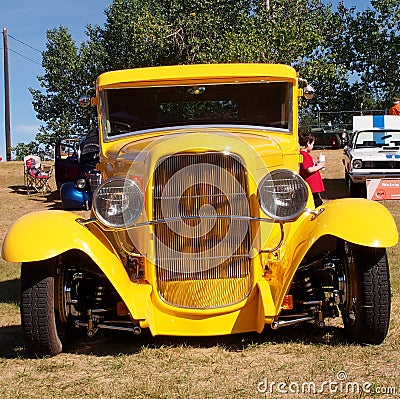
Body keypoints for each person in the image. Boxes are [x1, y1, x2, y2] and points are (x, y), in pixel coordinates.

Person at [299, 132, 325, 208]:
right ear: (308, 143)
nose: (313, 146)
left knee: (317, 202)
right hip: (310, 186)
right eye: (312, 144)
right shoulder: (303, 155)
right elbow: (309, 170)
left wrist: (317, 165)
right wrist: (319, 166)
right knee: (317, 203)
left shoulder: (306, 155)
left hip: (312, 186)